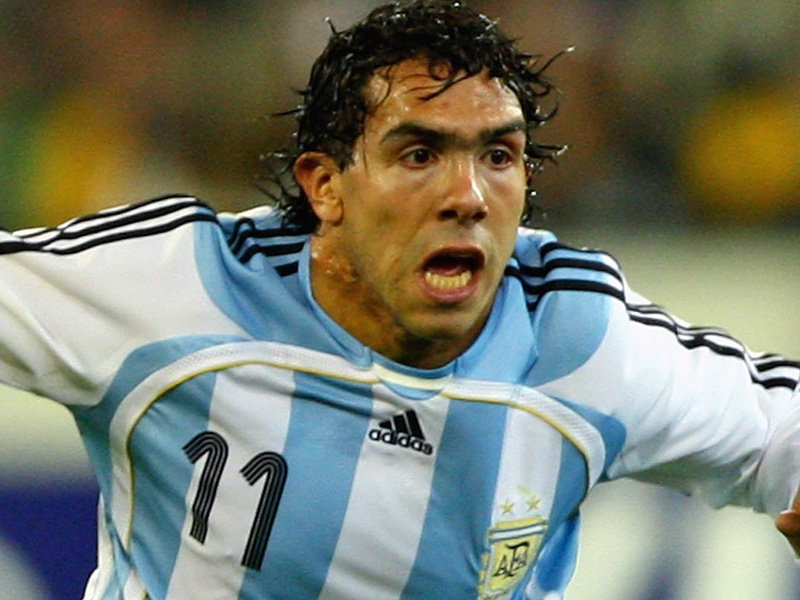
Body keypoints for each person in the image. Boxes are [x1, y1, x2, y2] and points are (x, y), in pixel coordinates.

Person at [1, 1, 799, 599]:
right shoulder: (175, 289)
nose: (468, 196)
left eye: (498, 156)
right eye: (420, 154)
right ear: (325, 186)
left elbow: (779, 433)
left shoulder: (577, 338)